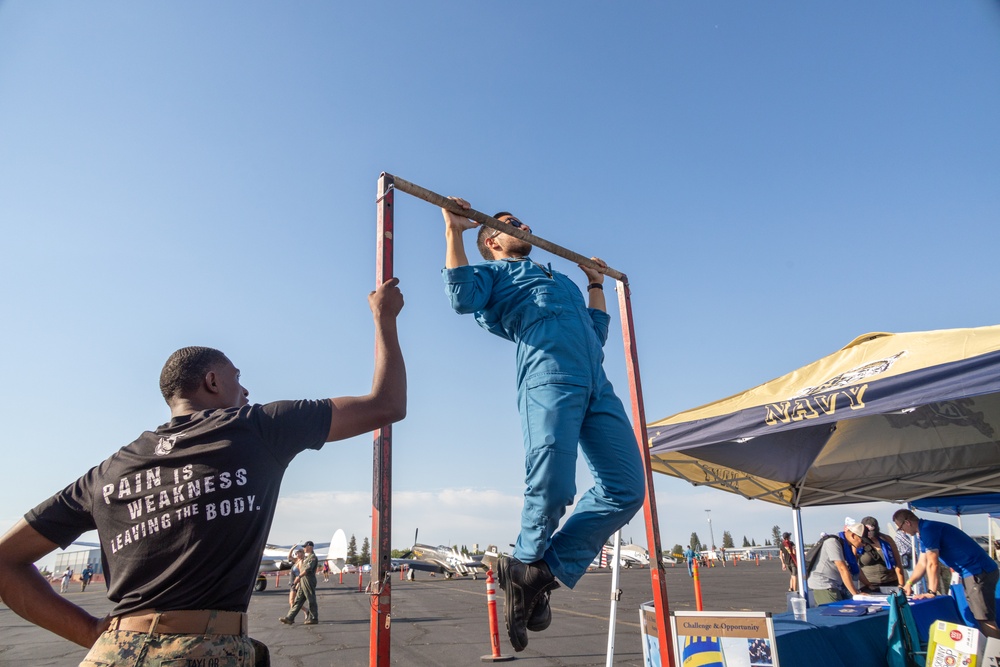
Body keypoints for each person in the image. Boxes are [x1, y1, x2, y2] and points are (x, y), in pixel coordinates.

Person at [0, 278, 406, 666]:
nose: (246, 392)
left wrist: (92, 632)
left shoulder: (106, 474)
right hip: (202, 652)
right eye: (238, 379)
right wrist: (384, 318)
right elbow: (386, 405)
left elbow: (5, 560)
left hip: (111, 653)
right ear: (212, 381)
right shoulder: (256, 426)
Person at [440, 199, 645, 652]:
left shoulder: (564, 280)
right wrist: (454, 232)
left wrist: (594, 284)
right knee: (552, 484)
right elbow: (460, 297)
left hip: (597, 385)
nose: (525, 224)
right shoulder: (492, 277)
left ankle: (536, 572)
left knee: (627, 488)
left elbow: (597, 332)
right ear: (491, 240)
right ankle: (527, 559)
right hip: (549, 376)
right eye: (511, 224)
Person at [894, 509, 1000, 639]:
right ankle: (992, 654)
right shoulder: (923, 532)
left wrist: (932, 592)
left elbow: (933, 563)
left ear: (907, 522)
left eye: (900, 528)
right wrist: (909, 583)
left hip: (977, 571)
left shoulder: (928, 529)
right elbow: (922, 563)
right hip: (971, 572)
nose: (902, 532)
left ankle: (996, 656)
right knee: (979, 617)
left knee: (985, 619)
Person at [805, 522, 864, 605]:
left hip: (835, 584)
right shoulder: (833, 542)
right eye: (863, 541)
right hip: (824, 584)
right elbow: (842, 569)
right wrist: (856, 594)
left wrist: (869, 585)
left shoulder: (846, 546)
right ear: (853, 536)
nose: (864, 544)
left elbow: (856, 568)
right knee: (836, 613)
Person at [857, 516, 905, 593]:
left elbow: (898, 563)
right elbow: (854, 566)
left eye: (872, 533)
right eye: (867, 533)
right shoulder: (858, 542)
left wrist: (901, 584)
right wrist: (867, 584)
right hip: (869, 585)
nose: (870, 535)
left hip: (890, 582)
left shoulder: (887, 539)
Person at [280, 541, 318, 625]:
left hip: (308, 580)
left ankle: (313, 618)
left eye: (305, 547)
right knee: (298, 600)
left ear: (310, 547)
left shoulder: (312, 557)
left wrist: (299, 577)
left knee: (311, 599)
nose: (304, 548)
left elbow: (307, 569)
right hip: (302, 581)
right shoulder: (306, 558)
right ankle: (290, 617)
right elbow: (290, 557)